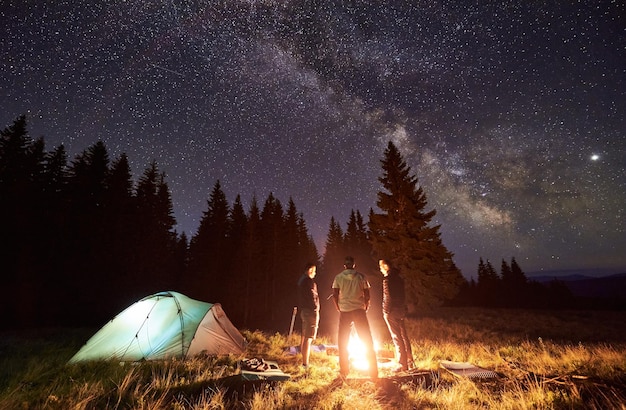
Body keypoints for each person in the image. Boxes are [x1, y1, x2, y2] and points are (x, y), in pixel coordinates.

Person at [332, 256, 378, 380]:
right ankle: (373, 371)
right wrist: (366, 307)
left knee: (343, 341)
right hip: (359, 310)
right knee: (367, 339)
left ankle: (344, 370)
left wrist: (338, 308)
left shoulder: (338, 277)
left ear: (344, 265)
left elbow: (335, 295)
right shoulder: (361, 277)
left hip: (345, 311)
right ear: (354, 265)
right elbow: (367, 294)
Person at [379, 259, 414, 372]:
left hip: (392, 311)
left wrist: (386, 311)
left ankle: (402, 364)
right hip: (401, 310)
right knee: (403, 335)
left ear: (385, 266)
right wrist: (404, 308)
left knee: (396, 337)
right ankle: (410, 361)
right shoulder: (399, 279)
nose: (380, 270)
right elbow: (403, 295)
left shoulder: (387, 280)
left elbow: (388, 296)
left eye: (381, 267)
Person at [297, 262, 320, 369]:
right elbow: (312, 296)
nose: (315, 273)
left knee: (304, 335)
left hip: (304, 311)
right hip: (310, 311)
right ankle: (305, 364)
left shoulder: (301, 281)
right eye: (314, 271)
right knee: (308, 337)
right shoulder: (309, 282)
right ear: (310, 270)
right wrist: (315, 307)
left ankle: (303, 360)